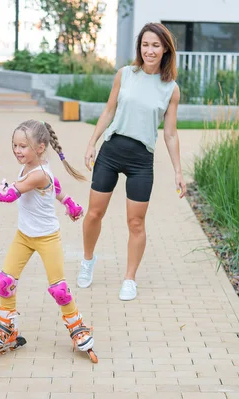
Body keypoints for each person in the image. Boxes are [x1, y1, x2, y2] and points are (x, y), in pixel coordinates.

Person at [77, 22, 187, 301]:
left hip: (141, 159)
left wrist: (178, 171)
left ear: (165, 50)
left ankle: (129, 278)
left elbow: (171, 134)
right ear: (140, 47)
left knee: (136, 223)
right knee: (94, 214)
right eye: (145, 44)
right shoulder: (125, 74)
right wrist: (92, 143)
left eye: (156, 45)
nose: (149, 50)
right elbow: (109, 110)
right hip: (112, 151)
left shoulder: (170, 88)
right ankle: (87, 260)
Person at [0, 119, 98, 363]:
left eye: (23, 146)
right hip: (24, 236)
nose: (17, 151)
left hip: (46, 238)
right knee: (4, 281)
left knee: (59, 289)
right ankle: (7, 328)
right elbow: (56, 187)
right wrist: (68, 202)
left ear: (40, 147)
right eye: (15, 145)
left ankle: (77, 327)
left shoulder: (38, 173)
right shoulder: (35, 166)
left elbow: (5, 195)